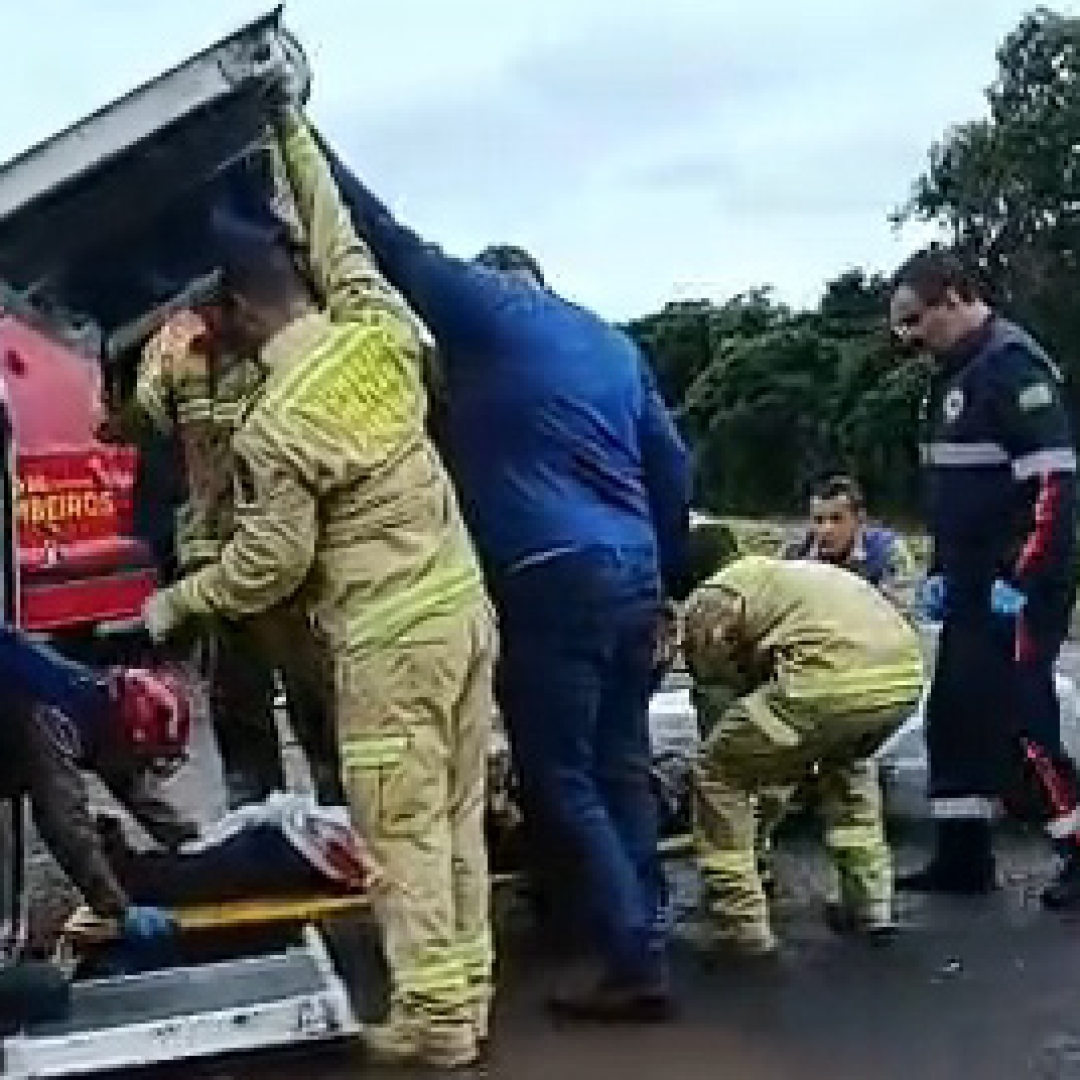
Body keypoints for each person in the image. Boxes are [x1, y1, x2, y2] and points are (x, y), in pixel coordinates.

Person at [141, 103, 496, 1070]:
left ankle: (433, 1022)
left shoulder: (276, 421)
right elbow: (339, 236)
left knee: (404, 838)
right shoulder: (377, 329)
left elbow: (273, 566)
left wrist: (178, 601)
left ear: (249, 314)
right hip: (465, 614)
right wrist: (292, 133)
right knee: (457, 818)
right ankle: (467, 998)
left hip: (388, 641)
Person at [323, 158, 692, 1023]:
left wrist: (304, 144)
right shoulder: (611, 341)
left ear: (502, 281)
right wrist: (666, 572)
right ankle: (641, 926)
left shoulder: (489, 312)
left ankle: (632, 954)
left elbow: (394, 243)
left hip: (548, 574)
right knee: (622, 763)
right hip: (632, 575)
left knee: (562, 775)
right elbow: (673, 466)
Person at [890, 249, 1080, 905]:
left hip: (1018, 585)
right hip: (970, 584)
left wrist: (1020, 577)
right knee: (953, 717)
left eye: (916, 321)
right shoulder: (950, 376)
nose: (908, 338)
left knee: (1022, 721)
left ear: (954, 298)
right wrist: (943, 570)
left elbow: (1053, 486)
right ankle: (962, 857)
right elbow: (955, 494)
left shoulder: (1012, 367)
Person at [120, 300, 341, 808]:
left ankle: (340, 819)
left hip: (292, 555)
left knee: (316, 697)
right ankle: (257, 819)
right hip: (216, 557)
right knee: (239, 703)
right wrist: (130, 361)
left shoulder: (288, 343)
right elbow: (129, 423)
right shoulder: (177, 347)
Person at [685, 555, 924, 954]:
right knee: (847, 772)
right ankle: (870, 905)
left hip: (822, 684)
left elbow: (714, 684)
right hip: (902, 679)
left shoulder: (713, 596)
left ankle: (741, 923)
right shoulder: (784, 578)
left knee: (719, 774)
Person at [785, 474, 918, 616]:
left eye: (837, 519)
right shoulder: (796, 553)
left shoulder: (888, 551)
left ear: (859, 519)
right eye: (819, 520)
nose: (826, 529)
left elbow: (899, 617)